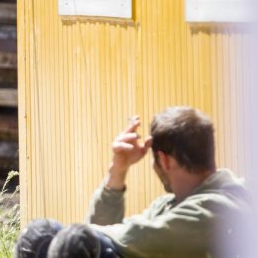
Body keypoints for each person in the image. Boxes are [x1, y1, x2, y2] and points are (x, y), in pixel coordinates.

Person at [16, 106, 250, 258]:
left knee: (78, 243)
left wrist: (79, 237)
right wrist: (118, 172)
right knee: (40, 237)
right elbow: (106, 240)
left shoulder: (225, 206)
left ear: (164, 160)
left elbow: (143, 238)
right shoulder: (169, 205)